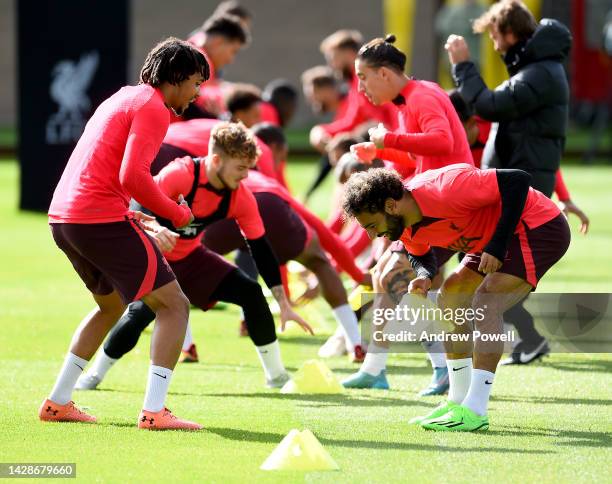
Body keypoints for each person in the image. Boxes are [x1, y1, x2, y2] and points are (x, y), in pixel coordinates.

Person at [41, 38, 209, 430]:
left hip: (65, 218)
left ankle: (58, 401)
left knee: (111, 307)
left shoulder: (124, 97)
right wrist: (175, 214)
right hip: (97, 219)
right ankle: (154, 412)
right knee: (174, 306)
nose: (197, 92)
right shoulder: (154, 108)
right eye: (197, 82)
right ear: (179, 76)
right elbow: (132, 176)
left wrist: (137, 217)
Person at [76, 123, 312, 391]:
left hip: (193, 258)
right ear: (215, 160)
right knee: (141, 313)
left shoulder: (240, 197)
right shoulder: (180, 175)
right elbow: (137, 206)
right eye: (240, 168)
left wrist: (284, 303)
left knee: (251, 292)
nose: (246, 176)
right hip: (158, 260)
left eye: (249, 169)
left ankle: (277, 376)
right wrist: (155, 230)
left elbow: (260, 247)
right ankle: (95, 374)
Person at [342, 164, 570, 431]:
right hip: (494, 237)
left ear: (391, 206)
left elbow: (518, 180)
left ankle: (476, 411)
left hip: (539, 228)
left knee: (486, 302)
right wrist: (425, 275)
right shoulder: (401, 224)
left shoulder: (446, 188)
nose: (371, 235)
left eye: (371, 225)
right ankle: (457, 401)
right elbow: (420, 253)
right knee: (450, 298)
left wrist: (496, 245)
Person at [445, 0, 577, 364]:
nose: (493, 43)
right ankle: (523, 338)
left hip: (522, 190)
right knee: (486, 267)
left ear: (508, 32)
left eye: (493, 34)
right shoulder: (536, 69)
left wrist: (462, 66)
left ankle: (505, 344)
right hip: (515, 186)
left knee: (495, 270)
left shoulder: (540, 73)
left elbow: (487, 105)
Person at [344, 34, 473, 391]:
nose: (361, 88)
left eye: (363, 77)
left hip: (449, 209)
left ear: (384, 73)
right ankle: (375, 368)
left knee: (395, 277)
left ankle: (445, 368)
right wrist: (379, 152)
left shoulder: (424, 96)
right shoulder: (408, 101)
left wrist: (390, 140)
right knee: (382, 277)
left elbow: (442, 140)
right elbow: (423, 156)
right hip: (431, 206)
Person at [203, 124, 369, 362]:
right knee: (318, 261)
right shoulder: (266, 182)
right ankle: (355, 344)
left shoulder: (207, 169)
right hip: (268, 205)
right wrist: (356, 273)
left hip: (221, 211)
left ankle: (188, 341)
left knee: (182, 265)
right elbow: (322, 230)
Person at [184, 14, 249, 119]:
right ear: (218, 42)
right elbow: (190, 108)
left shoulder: (193, 46)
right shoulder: (198, 60)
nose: (230, 60)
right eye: (233, 51)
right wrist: (221, 117)